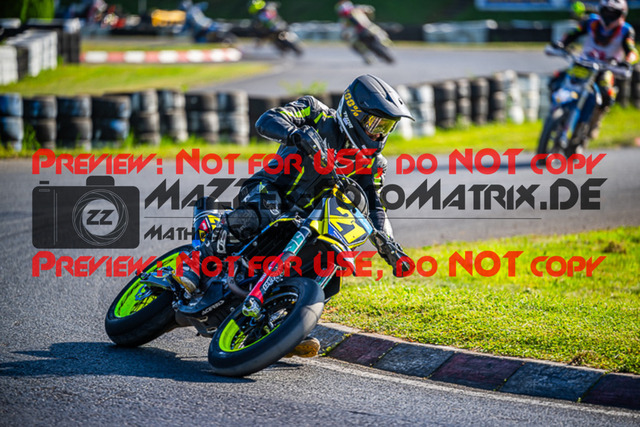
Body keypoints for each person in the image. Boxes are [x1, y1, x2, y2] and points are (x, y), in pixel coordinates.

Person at [175, 74, 414, 357]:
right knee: (266, 210)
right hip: (271, 189)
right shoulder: (316, 113)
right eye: (375, 124)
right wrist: (296, 133)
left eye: (386, 127)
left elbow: (374, 204)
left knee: (331, 258)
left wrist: (389, 245)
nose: (379, 134)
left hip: (310, 220)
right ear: (354, 113)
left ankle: (282, 324)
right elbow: (267, 119)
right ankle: (195, 262)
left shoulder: (373, 163)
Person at [552, 0, 638, 139]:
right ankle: (556, 112)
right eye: (606, 12)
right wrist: (561, 44)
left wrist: (627, 62)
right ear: (600, 10)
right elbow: (572, 34)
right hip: (583, 63)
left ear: (622, 15)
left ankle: (594, 122)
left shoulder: (626, 30)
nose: (609, 16)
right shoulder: (591, 22)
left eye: (613, 13)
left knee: (606, 92)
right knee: (557, 79)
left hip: (606, 68)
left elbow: (632, 51)